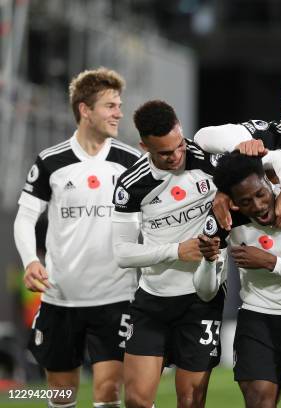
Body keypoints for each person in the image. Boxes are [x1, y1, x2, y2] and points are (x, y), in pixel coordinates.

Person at [111, 100, 281, 407]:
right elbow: (122, 254)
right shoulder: (132, 184)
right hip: (153, 300)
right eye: (164, 153)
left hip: (202, 300)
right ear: (144, 146)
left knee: (190, 401)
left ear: (180, 130)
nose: (175, 157)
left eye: (178, 146)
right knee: (135, 401)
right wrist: (176, 251)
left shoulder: (210, 160)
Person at [13, 67, 140, 407]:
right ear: (85, 110)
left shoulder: (131, 162)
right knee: (61, 394)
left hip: (116, 297)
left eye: (119, 105)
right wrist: (30, 261)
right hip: (61, 298)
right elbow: (25, 216)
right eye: (110, 106)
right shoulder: (51, 162)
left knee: (108, 391)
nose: (119, 113)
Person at [193, 151, 281, 408]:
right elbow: (206, 292)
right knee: (259, 399)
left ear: (268, 181)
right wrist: (207, 260)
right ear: (232, 202)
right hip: (259, 318)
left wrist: (271, 263)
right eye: (246, 201)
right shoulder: (225, 219)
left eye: (261, 194)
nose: (258, 206)